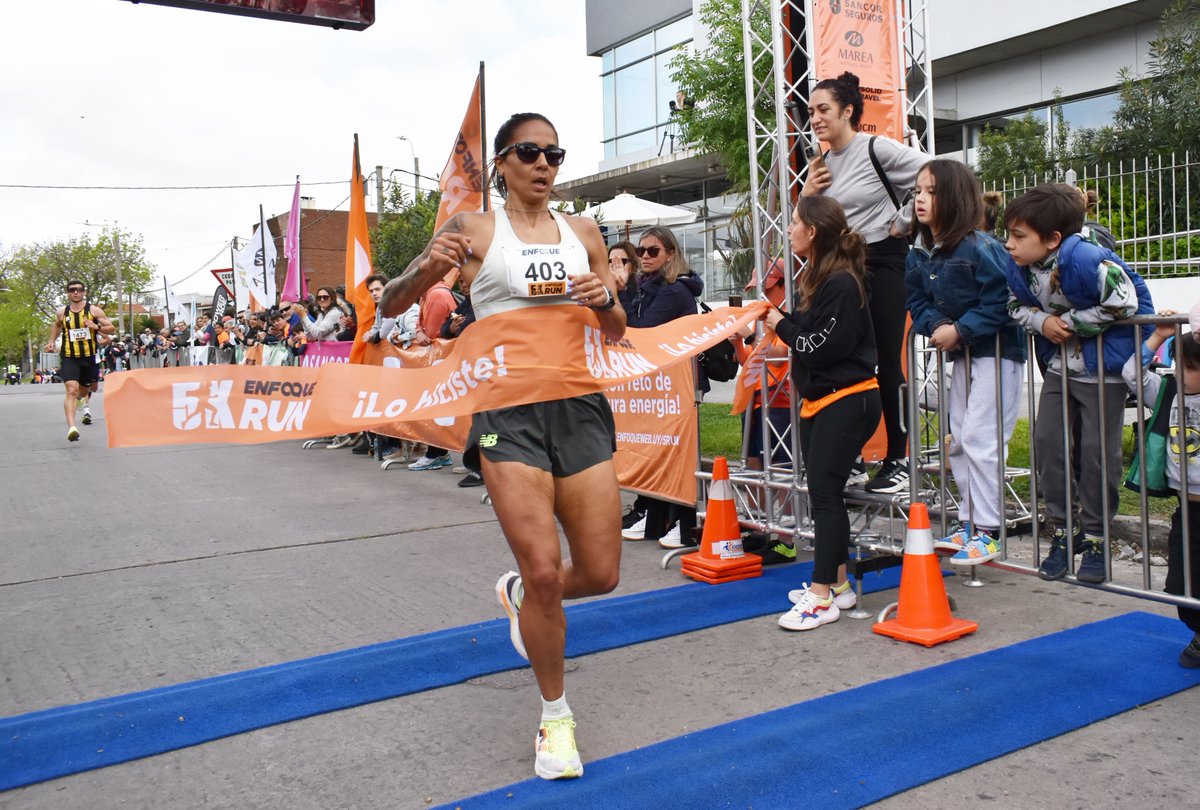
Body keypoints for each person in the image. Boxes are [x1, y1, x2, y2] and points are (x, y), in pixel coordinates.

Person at [379, 111, 625, 780]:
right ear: (502, 162)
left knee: (600, 574)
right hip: (505, 415)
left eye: (554, 153)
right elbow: (392, 303)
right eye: (529, 152)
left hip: (578, 407)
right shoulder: (474, 229)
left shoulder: (584, 232)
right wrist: (425, 270)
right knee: (548, 569)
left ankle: (521, 598)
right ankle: (555, 719)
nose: (545, 164)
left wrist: (606, 299)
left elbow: (618, 329)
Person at [1004, 183, 1153, 583]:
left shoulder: (1086, 259)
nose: (1009, 244)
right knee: (1048, 443)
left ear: (1053, 238)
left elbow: (1124, 302)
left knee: (1097, 452)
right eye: (1009, 234)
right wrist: (1041, 322)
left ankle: (1097, 538)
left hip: (1102, 370)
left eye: (1019, 236)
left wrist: (1067, 324)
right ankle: (1064, 531)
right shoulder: (1019, 267)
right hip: (1059, 369)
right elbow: (1015, 305)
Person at [803, 71, 931, 494]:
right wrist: (807, 192)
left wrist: (904, 220)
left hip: (882, 262)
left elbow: (935, 173)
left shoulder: (876, 148)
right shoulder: (819, 164)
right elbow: (808, 224)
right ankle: (851, 458)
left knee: (887, 363)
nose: (816, 119)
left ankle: (898, 459)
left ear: (848, 111)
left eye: (823, 110)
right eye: (811, 111)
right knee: (843, 362)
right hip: (839, 270)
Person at [766, 196, 881, 631]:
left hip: (848, 400)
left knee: (827, 496)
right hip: (825, 401)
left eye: (795, 222)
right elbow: (811, 339)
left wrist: (779, 324)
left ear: (812, 231)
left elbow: (818, 345)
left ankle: (820, 597)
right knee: (823, 495)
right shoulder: (820, 278)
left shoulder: (841, 283)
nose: (790, 229)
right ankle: (838, 585)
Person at [905, 160, 1027, 564]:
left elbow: (1003, 300)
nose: (921, 198)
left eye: (932, 192)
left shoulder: (982, 247)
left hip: (997, 355)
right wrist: (940, 325)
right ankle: (970, 523)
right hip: (964, 358)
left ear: (954, 198)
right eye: (919, 191)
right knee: (958, 440)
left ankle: (990, 530)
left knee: (980, 438)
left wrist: (960, 330)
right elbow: (917, 301)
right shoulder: (919, 252)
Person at [1123, 310, 1200, 668]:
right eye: (1177, 364)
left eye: (1189, 367)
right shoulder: (1168, 391)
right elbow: (1131, 374)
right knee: (1182, 584)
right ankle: (1198, 632)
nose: (1179, 373)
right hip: (1188, 509)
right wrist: (1157, 335)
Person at [619, 226, 703, 548]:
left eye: (652, 251)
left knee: (676, 453)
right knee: (657, 450)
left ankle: (682, 525)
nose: (644, 257)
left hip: (678, 386)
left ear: (670, 253)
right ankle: (655, 516)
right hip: (657, 386)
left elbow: (638, 331)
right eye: (641, 252)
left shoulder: (674, 291)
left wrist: (621, 292)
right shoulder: (649, 287)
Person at [733, 261, 798, 564]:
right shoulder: (763, 315)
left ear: (785, 285)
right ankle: (759, 529)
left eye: (769, 287)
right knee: (754, 466)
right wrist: (738, 341)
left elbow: (783, 351)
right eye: (760, 289)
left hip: (781, 402)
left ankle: (786, 539)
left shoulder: (789, 315)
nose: (763, 294)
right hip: (757, 401)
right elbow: (752, 361)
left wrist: (748, 338)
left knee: (783, 469)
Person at [44, 279, 115, 441]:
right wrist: (51, 341)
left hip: (89, 358)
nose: (75, 292)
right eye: (71, 290)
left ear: (84, 293)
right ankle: (72, 427)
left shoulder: (94, 311)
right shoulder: (62, 312)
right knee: (71, 390)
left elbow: (111, 328)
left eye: (78, 290)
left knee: (83, 392)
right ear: (68, 293)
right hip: (69, 357)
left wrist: (96, 327)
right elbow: (57, 325)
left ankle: (81, 400)